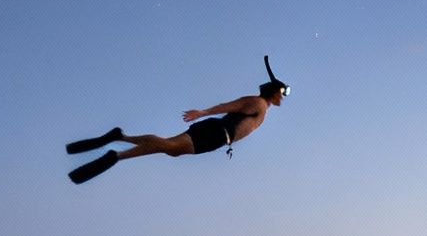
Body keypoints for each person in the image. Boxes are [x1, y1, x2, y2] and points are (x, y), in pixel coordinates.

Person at [66, 56, 288, 184]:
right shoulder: (257, 103)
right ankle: (118, 155)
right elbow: (227, 106)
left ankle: (120, 138)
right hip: (216, 133)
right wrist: (202, 112)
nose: (283, 96)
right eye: (282, 92)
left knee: (169, 148)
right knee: (170, 146)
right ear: (273, 91)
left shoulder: (262, 107)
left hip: (218, 137)